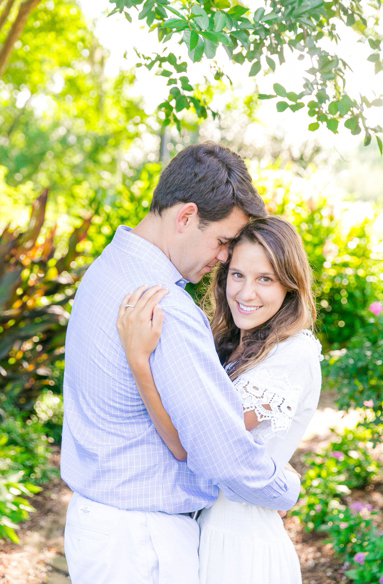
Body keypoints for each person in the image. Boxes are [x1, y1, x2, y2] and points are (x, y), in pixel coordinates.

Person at [61, 143, 301, 584]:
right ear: (186, 217)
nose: (225, 257)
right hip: (140, 542)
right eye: (224, 241)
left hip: (100, 528)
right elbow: (217, 447)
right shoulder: (162, 303)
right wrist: (285, 488)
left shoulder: (104, 269)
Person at [116, 215, 323, 584]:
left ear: (290, 286)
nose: (245, 293)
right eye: (238, 274)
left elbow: (191, 442)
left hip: (243, 546)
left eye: (266, 279)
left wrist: (139, 363)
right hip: (202, 531)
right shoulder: (225, 344)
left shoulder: (294, 354)